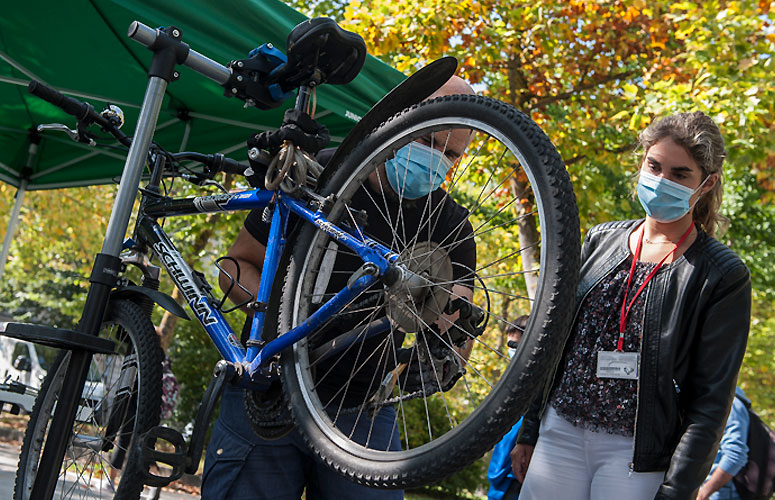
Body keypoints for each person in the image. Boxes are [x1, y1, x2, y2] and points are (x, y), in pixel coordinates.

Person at [201, 76, 477, 500]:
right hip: (267, 389)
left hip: (364, 410)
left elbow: (459, 317)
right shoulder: (317, 173)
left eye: (451, 153)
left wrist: (446, 352)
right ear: (402, 116)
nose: (436, 158)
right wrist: (282, 328)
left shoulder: (451, 223)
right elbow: (236, 266)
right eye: (428, 140)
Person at [510, 111, 751, 500]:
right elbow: (554, 340)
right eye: (654, 166)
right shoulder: (599, 240)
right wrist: (530, 429)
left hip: (635, 457)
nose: (661, 181)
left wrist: (678, 489)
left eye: (680, 174)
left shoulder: (721, 274)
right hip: (560, 435)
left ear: (707, 183)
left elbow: (712, 400)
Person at [487, 315, 529, 500]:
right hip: (503, 472)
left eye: (515, 345)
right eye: (509, 346)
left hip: (517, 472)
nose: (511, 352)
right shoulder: (509, 381)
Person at [698, 387, 750, 500]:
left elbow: (736, 454)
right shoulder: (711, 398)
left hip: (722, 494)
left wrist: (703, 493)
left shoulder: (730, 403)